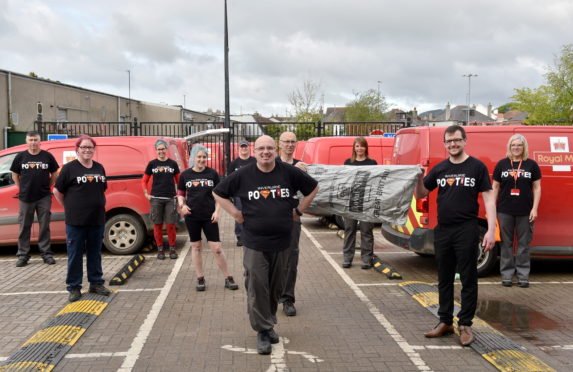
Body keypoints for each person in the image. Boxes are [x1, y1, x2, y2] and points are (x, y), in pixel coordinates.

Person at [213, 135, 319, 355]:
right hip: (255, 242)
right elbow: (218, 192)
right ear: (255, 151)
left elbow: (313, 188)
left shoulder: (287, 172)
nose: (266, 152)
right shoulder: (243, 174)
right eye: (261, 148)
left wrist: (299, 211)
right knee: (257, 286)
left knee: (275, 287)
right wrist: (234, 213)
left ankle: (268, 323)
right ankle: (262, 331)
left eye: (270, 148)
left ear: (275, 149)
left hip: (283, 241)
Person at [415, 125, 496, 347]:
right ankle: (445, 322)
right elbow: (422, 192)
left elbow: (489, 198)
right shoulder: (440, 169)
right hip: (444, 230)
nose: (453, 144)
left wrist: (491, 230)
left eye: (457, 140)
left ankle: (466, 325)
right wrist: (416, 178)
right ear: (445, 143)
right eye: (449, 141)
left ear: (465, 141)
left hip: (467, 229)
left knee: (468, 278)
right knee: (444, 277)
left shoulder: (476, 167)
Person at [54, 135, 111, 302]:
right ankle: (74, 287)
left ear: (94, 150)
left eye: (90, 147)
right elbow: (57, 191)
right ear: (77, 149)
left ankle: (96, 283)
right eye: (84, 147)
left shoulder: (100, 168)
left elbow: (102, 190)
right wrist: (69, 207)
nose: (87, 150)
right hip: (76, 221)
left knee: (95, 253)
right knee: (75, 254)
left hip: (97, 219)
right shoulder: (69, 169)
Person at [178, 145, 239, 292]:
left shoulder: (212, 174)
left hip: (209, 216)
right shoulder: (185, 175)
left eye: (204, 157)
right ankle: (200, 278)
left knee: (217, 248)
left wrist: (217, 212)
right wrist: (182, 205)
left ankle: (228, 278)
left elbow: (219, 195)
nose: (201, 159)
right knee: (196, 247)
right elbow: (180, 193)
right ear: (193, 158)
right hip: (192, 217)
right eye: (199, 157)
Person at [492, 134, 541, 288]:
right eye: (513, 145)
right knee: (506, 244)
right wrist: (492, 209)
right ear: (509, 147)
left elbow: (537, 187)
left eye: (519, 145)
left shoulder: (531, 165)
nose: (516, 147)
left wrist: (535, 208)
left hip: (525, 211)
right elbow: (494, 187)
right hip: (504, 211)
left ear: (524, 147)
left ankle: (523, 276)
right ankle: (506, 276)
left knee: (523, 245)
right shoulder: (501, 164)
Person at [10, 131, 59, 267]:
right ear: (27, 141)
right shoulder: (20, 157)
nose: (33, 142)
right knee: (24, 226)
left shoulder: (47, 156)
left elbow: (54, 173)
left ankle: (46, 254)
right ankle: (23, 255)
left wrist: (47, 187)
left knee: (44, 226)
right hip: (25, 198)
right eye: (30, 140)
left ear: (39, 141)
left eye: (35, 140)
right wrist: (22, 189)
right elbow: (15, 175)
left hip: (43, 197)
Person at [276, 131, 308, 317]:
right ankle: (273, 295)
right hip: (271, 218)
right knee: (271, 258)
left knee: (291, 258)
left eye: (292, 142)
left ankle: (288, 298)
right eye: (286, 141)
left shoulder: (301, 167)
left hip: (292, 219)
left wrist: (299, 210)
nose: (289, 145)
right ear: (279, 144)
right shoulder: (271, 164)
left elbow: (312, 190)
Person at [341, 136, 378, 270]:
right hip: (351, 202)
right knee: (349, 230)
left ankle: (367, 259)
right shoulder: (348, 163)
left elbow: (376, 182)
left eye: (362, 146)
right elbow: (344, 181)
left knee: (366, 231)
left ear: (366, 148)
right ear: (354, 148)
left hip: (367, 202)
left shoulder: (372, 163)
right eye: (357, 146)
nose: (359, 148)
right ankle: (347, 258)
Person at [142, 139, 180, 260]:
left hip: (170, 198)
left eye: (163, 149)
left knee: (170, 225)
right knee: (157, 225)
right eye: (159, 149)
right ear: (156, 150)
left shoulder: (173, 164)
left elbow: (179, 181)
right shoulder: (152, 164)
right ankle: (160, 250)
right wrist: (146, 194)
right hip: (156, 199)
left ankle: (172, 249)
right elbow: (144, 180)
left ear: (166, 149)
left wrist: (180, 195)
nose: (161, 151)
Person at [227, 139, 255, 247]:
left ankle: (251, 235)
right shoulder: (234, 163)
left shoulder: (254, 161)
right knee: (239, 214)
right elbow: (229, 179)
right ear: (238, 148)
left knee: (252, 213)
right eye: (242, 147)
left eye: (245, 146)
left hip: (252, 192)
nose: (244, 148)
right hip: (238, 194)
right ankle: (240, 237)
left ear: (249, 148)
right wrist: (230, 194)